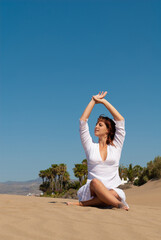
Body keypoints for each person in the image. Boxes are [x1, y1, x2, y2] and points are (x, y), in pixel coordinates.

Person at [67, 91, 129, 210]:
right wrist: (93, 101)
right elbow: (82, 122)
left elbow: (120, 120)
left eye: (100, 125)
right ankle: (118, 204)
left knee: (115, 194)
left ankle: (84, 204)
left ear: (108, 130)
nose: (96, 126)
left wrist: (103, 101)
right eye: (96, 124)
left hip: (111, 190)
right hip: (92, 190)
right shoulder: (90, 146)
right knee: (95, 182)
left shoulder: (116, 146)